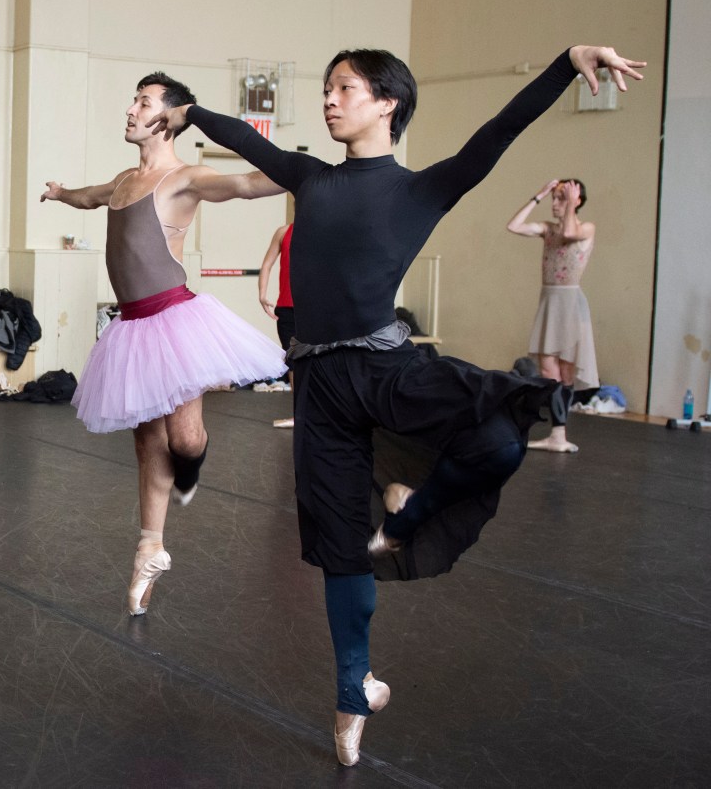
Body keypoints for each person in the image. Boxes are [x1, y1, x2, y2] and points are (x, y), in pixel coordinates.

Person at [148, 45, 644, 766]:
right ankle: (354, 688)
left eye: (344, 88)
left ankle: (408, 515)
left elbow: (500, 131)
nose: (328, 99)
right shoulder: (311, 176)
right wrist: (189, 111)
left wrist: (567, 63)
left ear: (387, 103)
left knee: (502, 439)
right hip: (318, 384)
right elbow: (247, 139)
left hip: (386, 369)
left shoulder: (423, 189)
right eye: (326, 88)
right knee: (340, 546)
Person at [41, 72, 288, 619]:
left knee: (185, 437)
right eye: (133, 99)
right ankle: (149, 548)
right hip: (131, 328)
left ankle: (193, 466)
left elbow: (251, 184)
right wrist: (61, 195)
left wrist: (305, 173)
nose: (130, 110)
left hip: (175, 320)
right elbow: (90, 198)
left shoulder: (184, 178)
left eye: (143, 102)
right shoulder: (124, 179)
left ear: (169, 117)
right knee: (147, 438)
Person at [507, 179, 598, 452]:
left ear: (577, 201)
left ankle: (559, 433)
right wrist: (540, 194)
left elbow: (570, 233)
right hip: (550, 301)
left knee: (567, 370)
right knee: (549, 370)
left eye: (562, 198)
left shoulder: (586, 228)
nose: (555, 204)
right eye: (555, 199)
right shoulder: (547, 229)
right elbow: (514, 225)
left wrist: (571, 202)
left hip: (570, 303)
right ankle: (556, 436)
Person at [258, 223, 296, 428]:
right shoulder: (283, 232)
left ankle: (319, 415)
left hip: (316, 309)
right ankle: (300, 415)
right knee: (294, 361)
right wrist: (262, 295)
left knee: (316, 362)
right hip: (288, 309)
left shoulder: (324, 228)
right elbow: (267, 265)